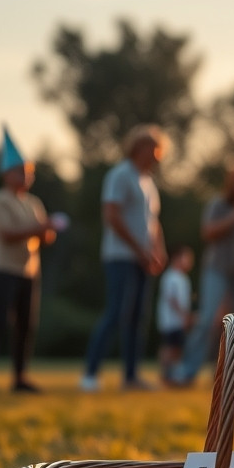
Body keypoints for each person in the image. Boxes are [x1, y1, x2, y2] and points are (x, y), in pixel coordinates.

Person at [170, 158, 234, 386]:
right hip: (217, 268)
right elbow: (208, 232)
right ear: (233, 182)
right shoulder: (219, 204)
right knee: (208, 319)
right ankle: (186, 372)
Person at [81, 125, 169, 392]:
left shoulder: (148, 182)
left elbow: (152, 223)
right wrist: (139, 249)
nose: (158, 157)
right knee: (116, 314)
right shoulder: (120, 175)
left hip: (142, 260)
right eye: (155, 150)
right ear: (140, 148)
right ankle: (90, 373)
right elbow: (112, 216)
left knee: (137, 319)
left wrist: (158, 251)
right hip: (120, 258)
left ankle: (131, 376)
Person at [0, 126, 56, 394]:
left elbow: (43, 236)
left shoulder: (33, 203)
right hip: (4, 269)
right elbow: (6, 235)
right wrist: (39, 229)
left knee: (26, 326)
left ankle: (20, 377)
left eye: (29, 171)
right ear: (7, 174)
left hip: (29, 271)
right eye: (22, 171)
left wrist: (48, 232)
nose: (27, 176)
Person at [157, 245, 195, 385]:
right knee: (169, 347)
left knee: (177, 347)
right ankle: (166, 374)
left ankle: (173, 375)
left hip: (179, 321)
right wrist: (184, 315)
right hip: (170, 321)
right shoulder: (170, 276)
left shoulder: (183, 278)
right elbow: (172, 299)